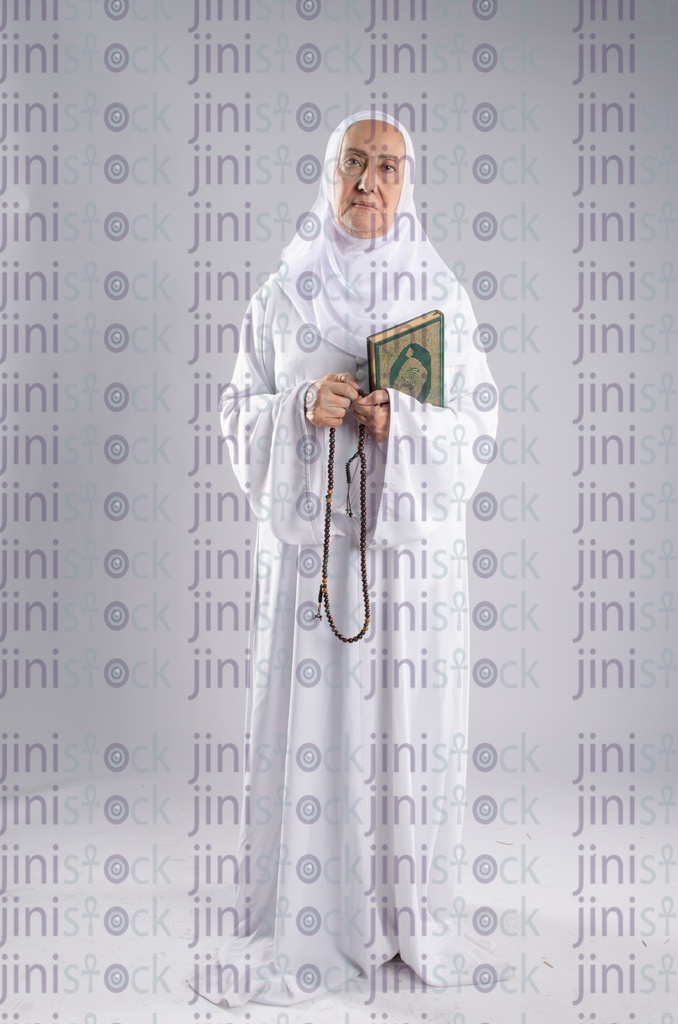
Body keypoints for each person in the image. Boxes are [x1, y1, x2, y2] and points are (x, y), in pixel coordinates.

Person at [191, 112, 501, 1008]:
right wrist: (297, 409)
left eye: (390, 169)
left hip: (408, 576)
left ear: (410, 186)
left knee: (405, 732)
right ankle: (312, 912)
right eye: (353, 165)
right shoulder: (281, 296)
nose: (370, 183)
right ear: (327, 176)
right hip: (317, 565)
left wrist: (400, 422)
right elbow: (234, 411)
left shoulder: (439, 297)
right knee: (316, 728)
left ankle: (401, 912)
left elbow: (478, 427)